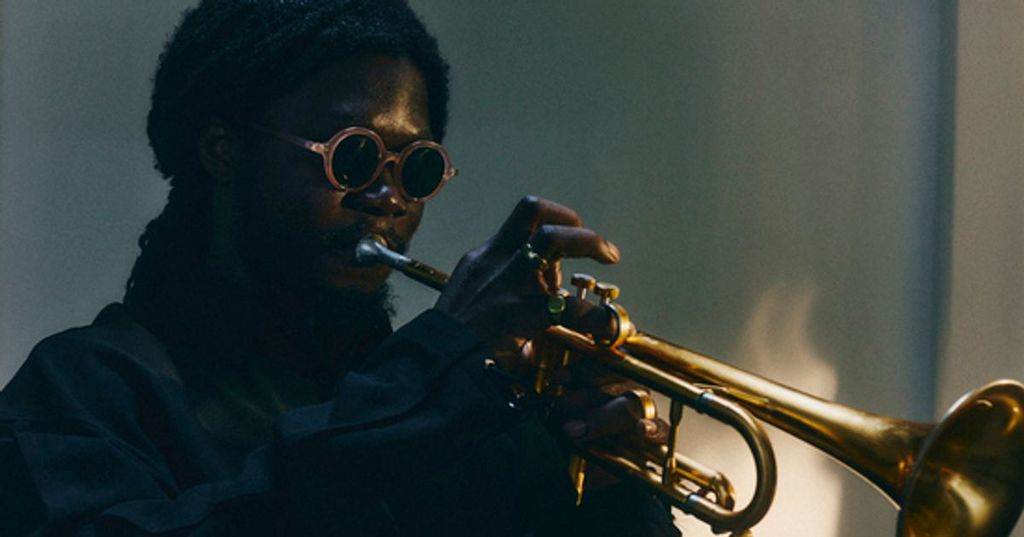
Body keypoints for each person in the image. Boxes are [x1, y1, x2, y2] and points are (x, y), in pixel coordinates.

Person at [0, 1, 679, 536]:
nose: (388, 198)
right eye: (353, 156)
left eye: (416, 169)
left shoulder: (450, 403)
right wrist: (434, 368)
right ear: (222, 151)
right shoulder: (81, 389)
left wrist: (605, 491)